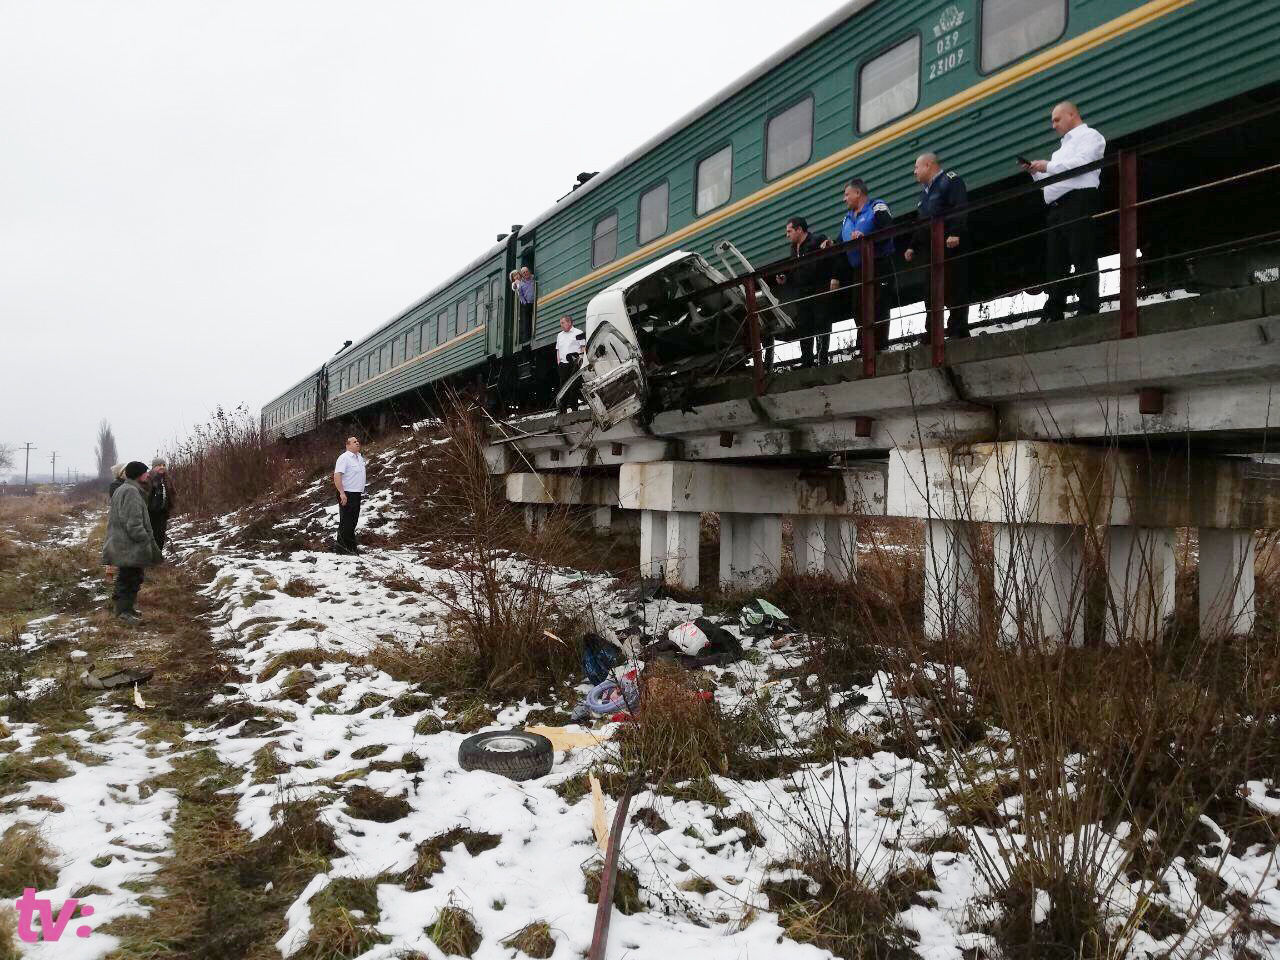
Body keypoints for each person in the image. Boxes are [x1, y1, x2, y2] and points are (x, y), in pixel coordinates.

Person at [1021, 101, 1106, 322]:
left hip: (1078, 199)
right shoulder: (1060, 151)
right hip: (1057, 206)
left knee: (1081, 253)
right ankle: (1054, 310)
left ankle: (1088, 306)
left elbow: (1081, 164)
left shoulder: (1090, 137)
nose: (1053, 125)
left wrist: (1047, 166)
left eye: (1057, 119)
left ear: (1072, 114)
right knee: (1055, 261)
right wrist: (1035, 173)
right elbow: (1052, 179)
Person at [903, 153, 971, 339]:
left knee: (955, 285)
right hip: (931, 248)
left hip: (949, 243)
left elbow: (960, 206)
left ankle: (958, 328)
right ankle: (933, 332)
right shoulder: (924, 194)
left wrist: (955, 232)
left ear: (928, 165)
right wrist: (912, 246)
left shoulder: (950, 181)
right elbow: (922, 222)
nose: (914, 172)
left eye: (916, 167)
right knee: (931, 291)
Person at [825, 180, 896, 353]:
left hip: (878, 263)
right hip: (858, 268)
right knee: (858, 306)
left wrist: (867, 236)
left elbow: (888, 229)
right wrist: (831, 243)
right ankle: (865, 346)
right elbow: (842, 244)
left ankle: (879, 346)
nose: (844, 199)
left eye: (846, 194)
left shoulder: (877, 207)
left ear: (858, 193)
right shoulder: (847, 218)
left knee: (878, 304)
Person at [102, 461, 162, 624]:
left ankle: (127, 609)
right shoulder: (131, 492)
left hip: (125, 543)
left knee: (131, 577)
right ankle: (123, 613)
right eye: (145, 472)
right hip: (129, 545)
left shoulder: (126, 489)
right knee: (129, 578)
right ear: (139, 474)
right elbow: (133, 523)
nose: (148, 475)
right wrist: (144, 540)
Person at [775, 216, 833, 367]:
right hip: (802, 291)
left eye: (789, 231)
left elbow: (830, 252)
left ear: (799, 229)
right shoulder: (793, 248)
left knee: (821, 322)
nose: (787, 235)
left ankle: (822, 359)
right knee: (804, 326)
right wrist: (785, 276)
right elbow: (794, 267)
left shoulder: (817, 239)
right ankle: (807, 361)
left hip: (818, 287)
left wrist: (828, 244)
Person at [333, 436, 366, 555]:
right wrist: (342, 493)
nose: (357, 443)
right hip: (346, 493)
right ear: (347, 445)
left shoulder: (360, 458)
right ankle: (342, 548)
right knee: (346, 521)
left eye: (358, 441)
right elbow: (337, 476)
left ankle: (352, 547)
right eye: (354, 442)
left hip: (356, 493)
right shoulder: (344, 458)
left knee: (353, 521)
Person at [555, 315, 587, 412]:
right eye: (561, 323)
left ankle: (574, 408)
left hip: (575, 364)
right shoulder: (559, 335)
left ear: (569, 322)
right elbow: (558, 349)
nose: (561, 325)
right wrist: (559, 362)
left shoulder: (578, 333)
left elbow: (583, 347)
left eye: (562, 323)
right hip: (563, 364)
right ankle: (562, 409)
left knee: (574, 386)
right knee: (563, 387)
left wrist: (580, 361)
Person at [147, 457, 174, 550]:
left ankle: (158, 555)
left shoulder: (167, 478)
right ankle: (151, 556)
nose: (162, 467)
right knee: (152, 535)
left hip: (163, 512)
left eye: (163, 465)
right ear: (153, 467)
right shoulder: (149, 478)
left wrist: (170, 506)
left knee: (161, 535)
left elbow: (172, 493)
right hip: (151, 513)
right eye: (159, 465)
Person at [515, 267, 536, 343]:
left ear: (529, 271)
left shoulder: (534, 278)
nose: (526, 273)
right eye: (524, 273)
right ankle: (526, 338)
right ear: (522, 275)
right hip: (527, 304)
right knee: (527, 321)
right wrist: (525, 302)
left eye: (527, 271)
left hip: (535, 302)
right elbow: (520, 295)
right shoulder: (521, 284)